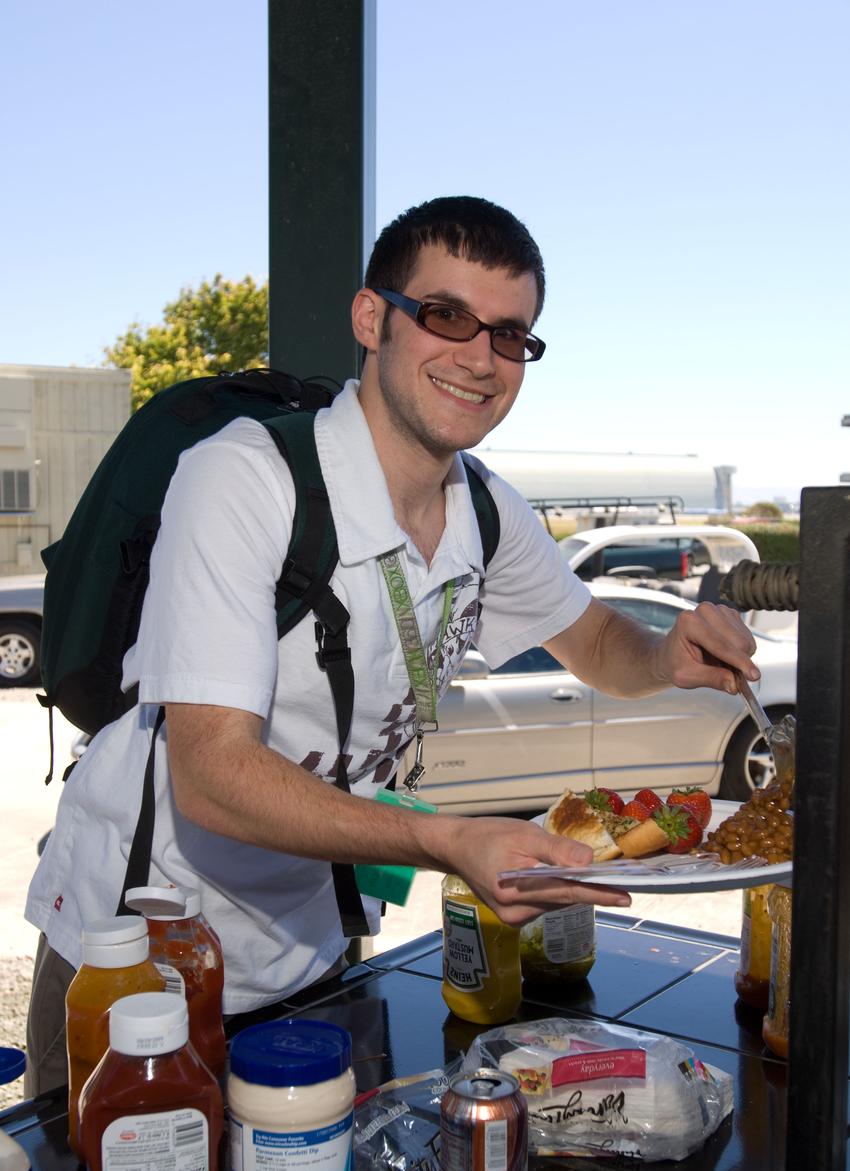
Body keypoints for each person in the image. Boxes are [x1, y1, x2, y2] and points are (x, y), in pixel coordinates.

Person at [24, 195, 759, 1095]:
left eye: (511, 336)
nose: (479, 359)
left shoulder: (486, 509)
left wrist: (666, 655)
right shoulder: (247, 477)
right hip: (143, 962)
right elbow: (212, 775)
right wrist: (452, 840)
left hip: (314, 948)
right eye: (447, 316)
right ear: (372, 318)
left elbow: (596, 639)